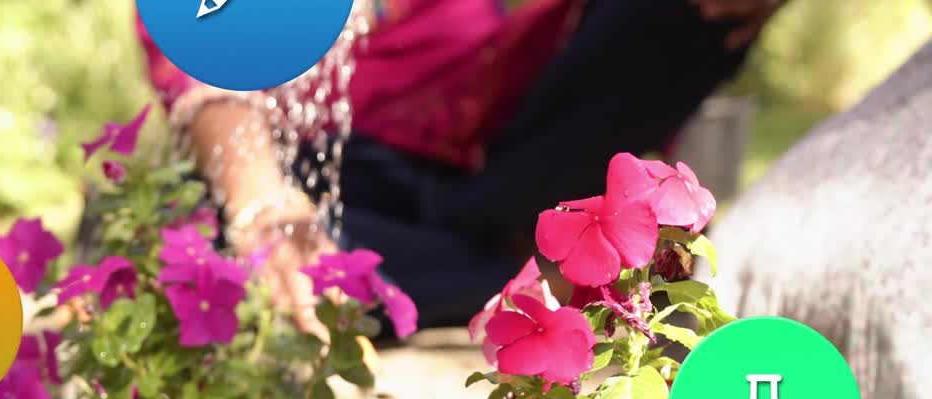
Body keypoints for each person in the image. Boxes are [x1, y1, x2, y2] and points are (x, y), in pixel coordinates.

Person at [137, 0, 785, 333]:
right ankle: (529, 275)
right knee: (219, 254)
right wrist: (260, 201)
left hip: (517, 158)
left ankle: (508, 265)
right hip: (342, 168)